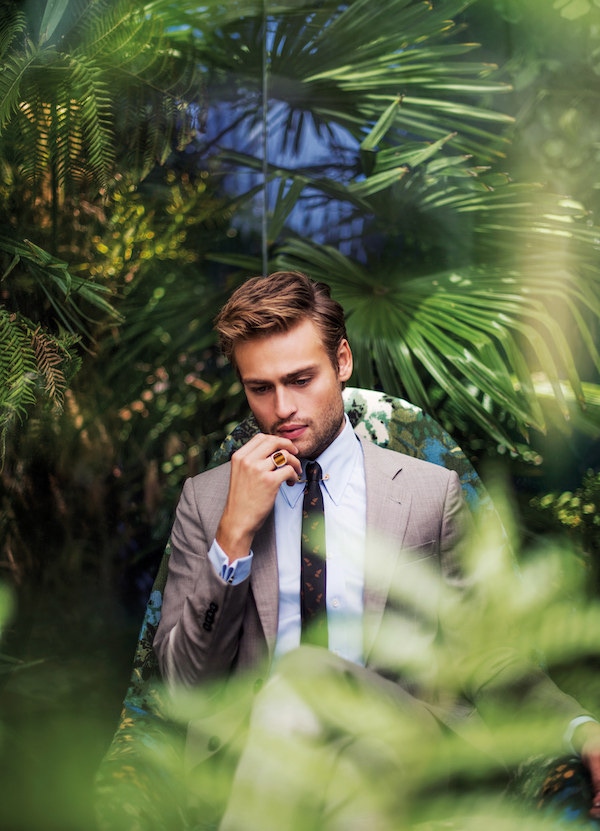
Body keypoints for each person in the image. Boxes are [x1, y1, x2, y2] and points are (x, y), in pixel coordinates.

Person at [153, 270, 600, 826]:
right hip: (256, 759)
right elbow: (183, 683)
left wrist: (581, 727)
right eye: (259, 388)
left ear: (342, 361)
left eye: (300, 378)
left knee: (308, 673)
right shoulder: (206, 500)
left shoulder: (426, 493)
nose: (282, 408)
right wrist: (233, 535)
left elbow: (486, 653)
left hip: (410, 740)